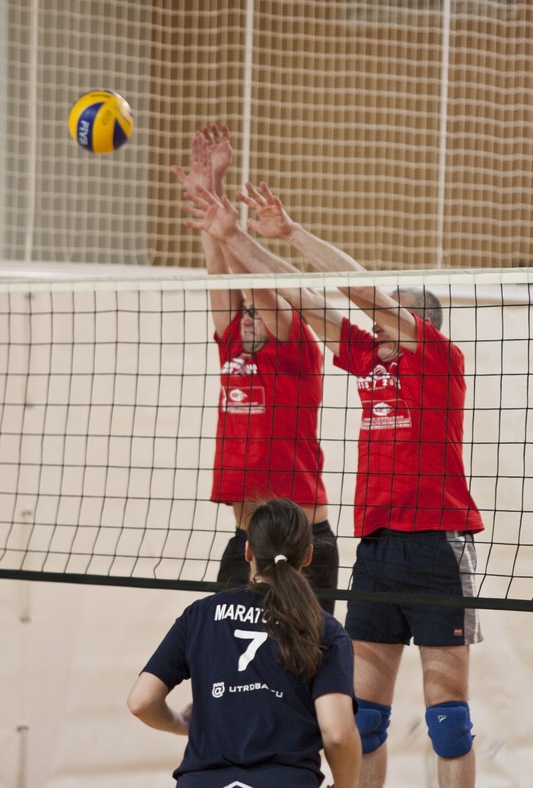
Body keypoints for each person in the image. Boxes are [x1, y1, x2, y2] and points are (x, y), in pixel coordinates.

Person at [179, 177, 485, 788]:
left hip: (436, 545)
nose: (374, 328)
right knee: (364, 719)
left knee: (448, 721)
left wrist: (293, 232)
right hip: (376, 546)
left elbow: (359, 292)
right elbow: (304, 298)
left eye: (387, 317)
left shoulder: (437, 358)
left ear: (419, 323)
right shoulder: (368, 359)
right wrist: (235, 237)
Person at [171, 124, 338, 613]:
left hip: (301, 542)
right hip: (246, 541)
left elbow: (258, 286)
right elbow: (218, 274)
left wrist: (231, 227)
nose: (245, 319)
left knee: (304, 655)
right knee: (224, 647)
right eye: (241, 314)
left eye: (255, 313)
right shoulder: (233, 350)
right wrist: (211, 190)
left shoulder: (294, 347)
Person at [128, 497, 362, 788]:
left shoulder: (200, 615)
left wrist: (180, 724)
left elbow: (141, 702)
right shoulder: (324, 628)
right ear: (308, 556)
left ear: (248, 551)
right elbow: (338, 735)